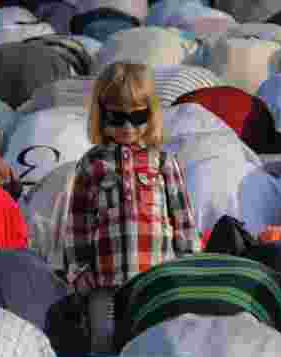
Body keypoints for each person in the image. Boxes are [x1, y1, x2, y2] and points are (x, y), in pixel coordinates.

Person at [64, 61, 201, 294]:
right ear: (101, 115)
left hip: (159, 280)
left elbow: (183, 220)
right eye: (117, 118)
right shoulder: (91, 164)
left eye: (138, 117)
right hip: (106, 282)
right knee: (105, 330)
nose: (128, 126)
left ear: (151, 113)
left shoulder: (162, 161)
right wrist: (80, 270)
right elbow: (78, 224)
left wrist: (188, 264)